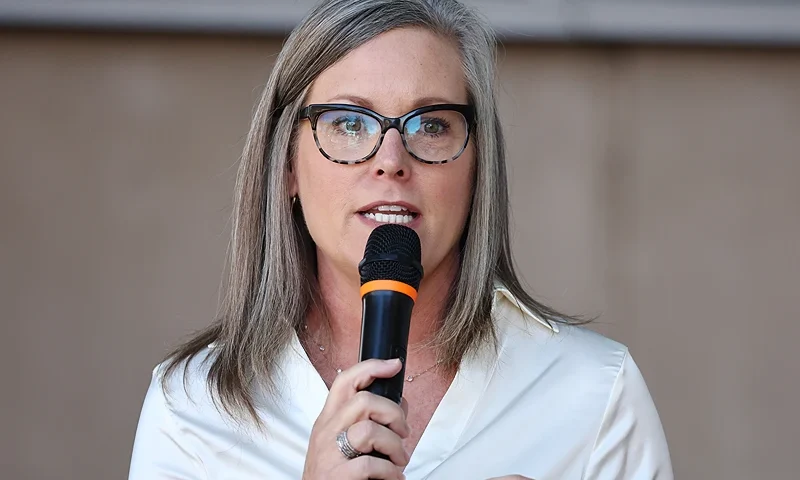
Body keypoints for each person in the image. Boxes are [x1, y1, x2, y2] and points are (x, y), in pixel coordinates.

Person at [128, 0, 673, 478]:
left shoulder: (594, 395)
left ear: (478, 167)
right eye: (349, 123)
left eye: (430, 125)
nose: (391, 161)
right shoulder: (193, 408)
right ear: (288, 166)